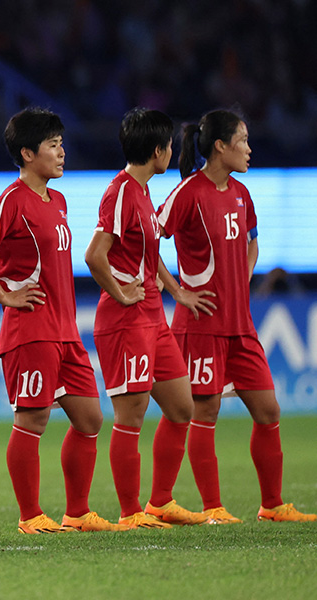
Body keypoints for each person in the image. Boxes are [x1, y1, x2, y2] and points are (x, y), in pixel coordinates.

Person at [0, 109, 125, 534]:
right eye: (53, 145)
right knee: (31, 422)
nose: (61, 152)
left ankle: (77, 513)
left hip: (66, 333)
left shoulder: (59, 201)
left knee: (90, 420)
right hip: (30, 332)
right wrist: (4, 294)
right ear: (27, 153)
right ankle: (30, 516)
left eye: (61, 143)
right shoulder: (11, 200)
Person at [157, 109, 316, 523]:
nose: (249, 148)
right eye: (242, 140)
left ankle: (273, 505)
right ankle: (213, 508)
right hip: (201, 326)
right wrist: (177, 291)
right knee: (204, 413)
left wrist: (239, 280)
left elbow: (252, 243)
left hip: (240, 326)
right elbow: (145, 239)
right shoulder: (187, 193)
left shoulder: (242, 194)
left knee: (269, 411)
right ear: (220, 147)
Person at [84, 108, 212, 529]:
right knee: (131, 416)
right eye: (169, 145)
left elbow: (149, 258)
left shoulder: (142, 193)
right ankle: (130, 512)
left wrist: (177, 293)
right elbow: (94, 255)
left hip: (154, 318)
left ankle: (160, 502)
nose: (172, 151)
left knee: (181, 407)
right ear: (157, 150)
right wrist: (120, 292)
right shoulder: (121, 192)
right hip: (126, 320)